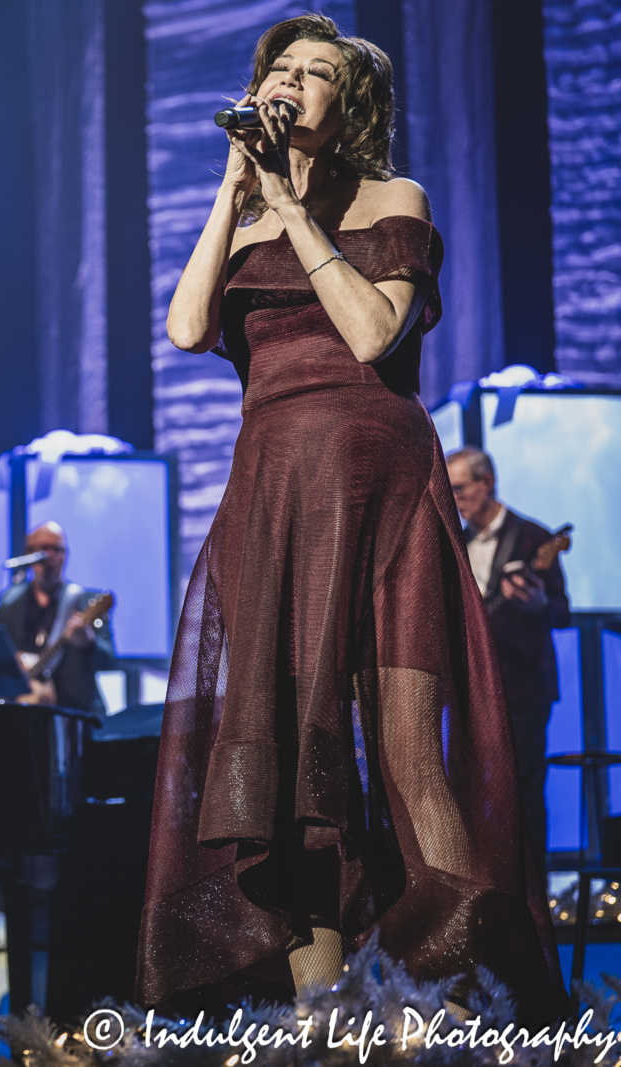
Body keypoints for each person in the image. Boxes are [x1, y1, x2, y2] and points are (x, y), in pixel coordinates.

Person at [136, 14, 565, 1018]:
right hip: (275, 502)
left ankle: (471, 993)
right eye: (275, 68)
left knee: (410, 752)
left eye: (312, 72)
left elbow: (375, 333)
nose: (287, 83)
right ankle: (321, 1016)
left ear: (351, 102)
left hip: (378, 496)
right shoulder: (246, 212)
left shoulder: (391, 197)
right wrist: (237, 190)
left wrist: (292, 211)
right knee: (289, 774)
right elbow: (189, 325)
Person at [447, 446, 571, 858]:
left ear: (487, 483)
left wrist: (536, 605)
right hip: (471, 690)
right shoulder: (455, 544)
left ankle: (537, 902)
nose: (456, 499)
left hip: (523, 689)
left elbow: (561, 613)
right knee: (473, 794)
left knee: (524, 789)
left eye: (460, 488)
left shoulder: (534, 538)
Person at [0, 521, 115, 717]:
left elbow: (109, 661)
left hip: (76, 718)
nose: (51, 556)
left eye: (57, 549)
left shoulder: (84, 603)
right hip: (25, 718)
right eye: (43, 549)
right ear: (29, 554)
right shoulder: (11, 604)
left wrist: (89, 643)